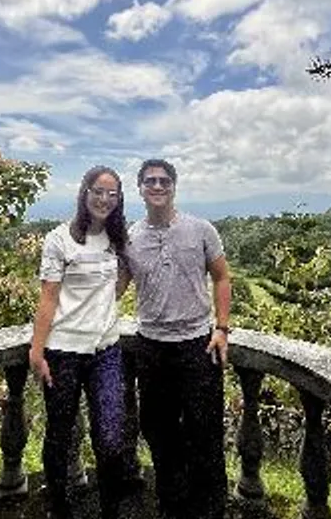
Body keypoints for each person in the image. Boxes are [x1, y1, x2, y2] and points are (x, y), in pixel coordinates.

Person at [122, 159, 231, 519]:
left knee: (205, 430)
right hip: (151, 346)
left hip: (197, 343)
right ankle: (172, 504)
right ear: (140, 189)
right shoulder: (131, 238)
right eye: (150, 181)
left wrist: (222, 328)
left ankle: (211, 508)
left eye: (164, 180)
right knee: (159, 430)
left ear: (173, 186)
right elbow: (115, 288)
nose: (157, 186)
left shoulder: (201, 230)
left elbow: (222, 277)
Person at [29, 166, 128, 519]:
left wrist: (105, 305)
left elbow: (121, 280)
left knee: (111, 436)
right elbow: (48, 297)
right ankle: (59, 507)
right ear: (84, 192)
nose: (104, 199)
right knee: (60, 432)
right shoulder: (59, 239)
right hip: (63, 351)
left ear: (119, 200)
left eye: (112, 194)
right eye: (98, 191)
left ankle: (110, 509)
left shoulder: (117, 239)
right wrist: (37, 350)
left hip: (107, 350)